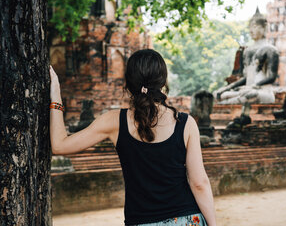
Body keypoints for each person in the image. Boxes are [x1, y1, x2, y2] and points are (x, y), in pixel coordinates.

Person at [49, 49, 217, 226]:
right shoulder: (185, 123)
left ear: (128, 83)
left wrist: (56, 95)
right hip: (187, 220)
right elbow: (199, 183)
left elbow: (60, 146)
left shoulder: (114, 121)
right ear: (163, 81)